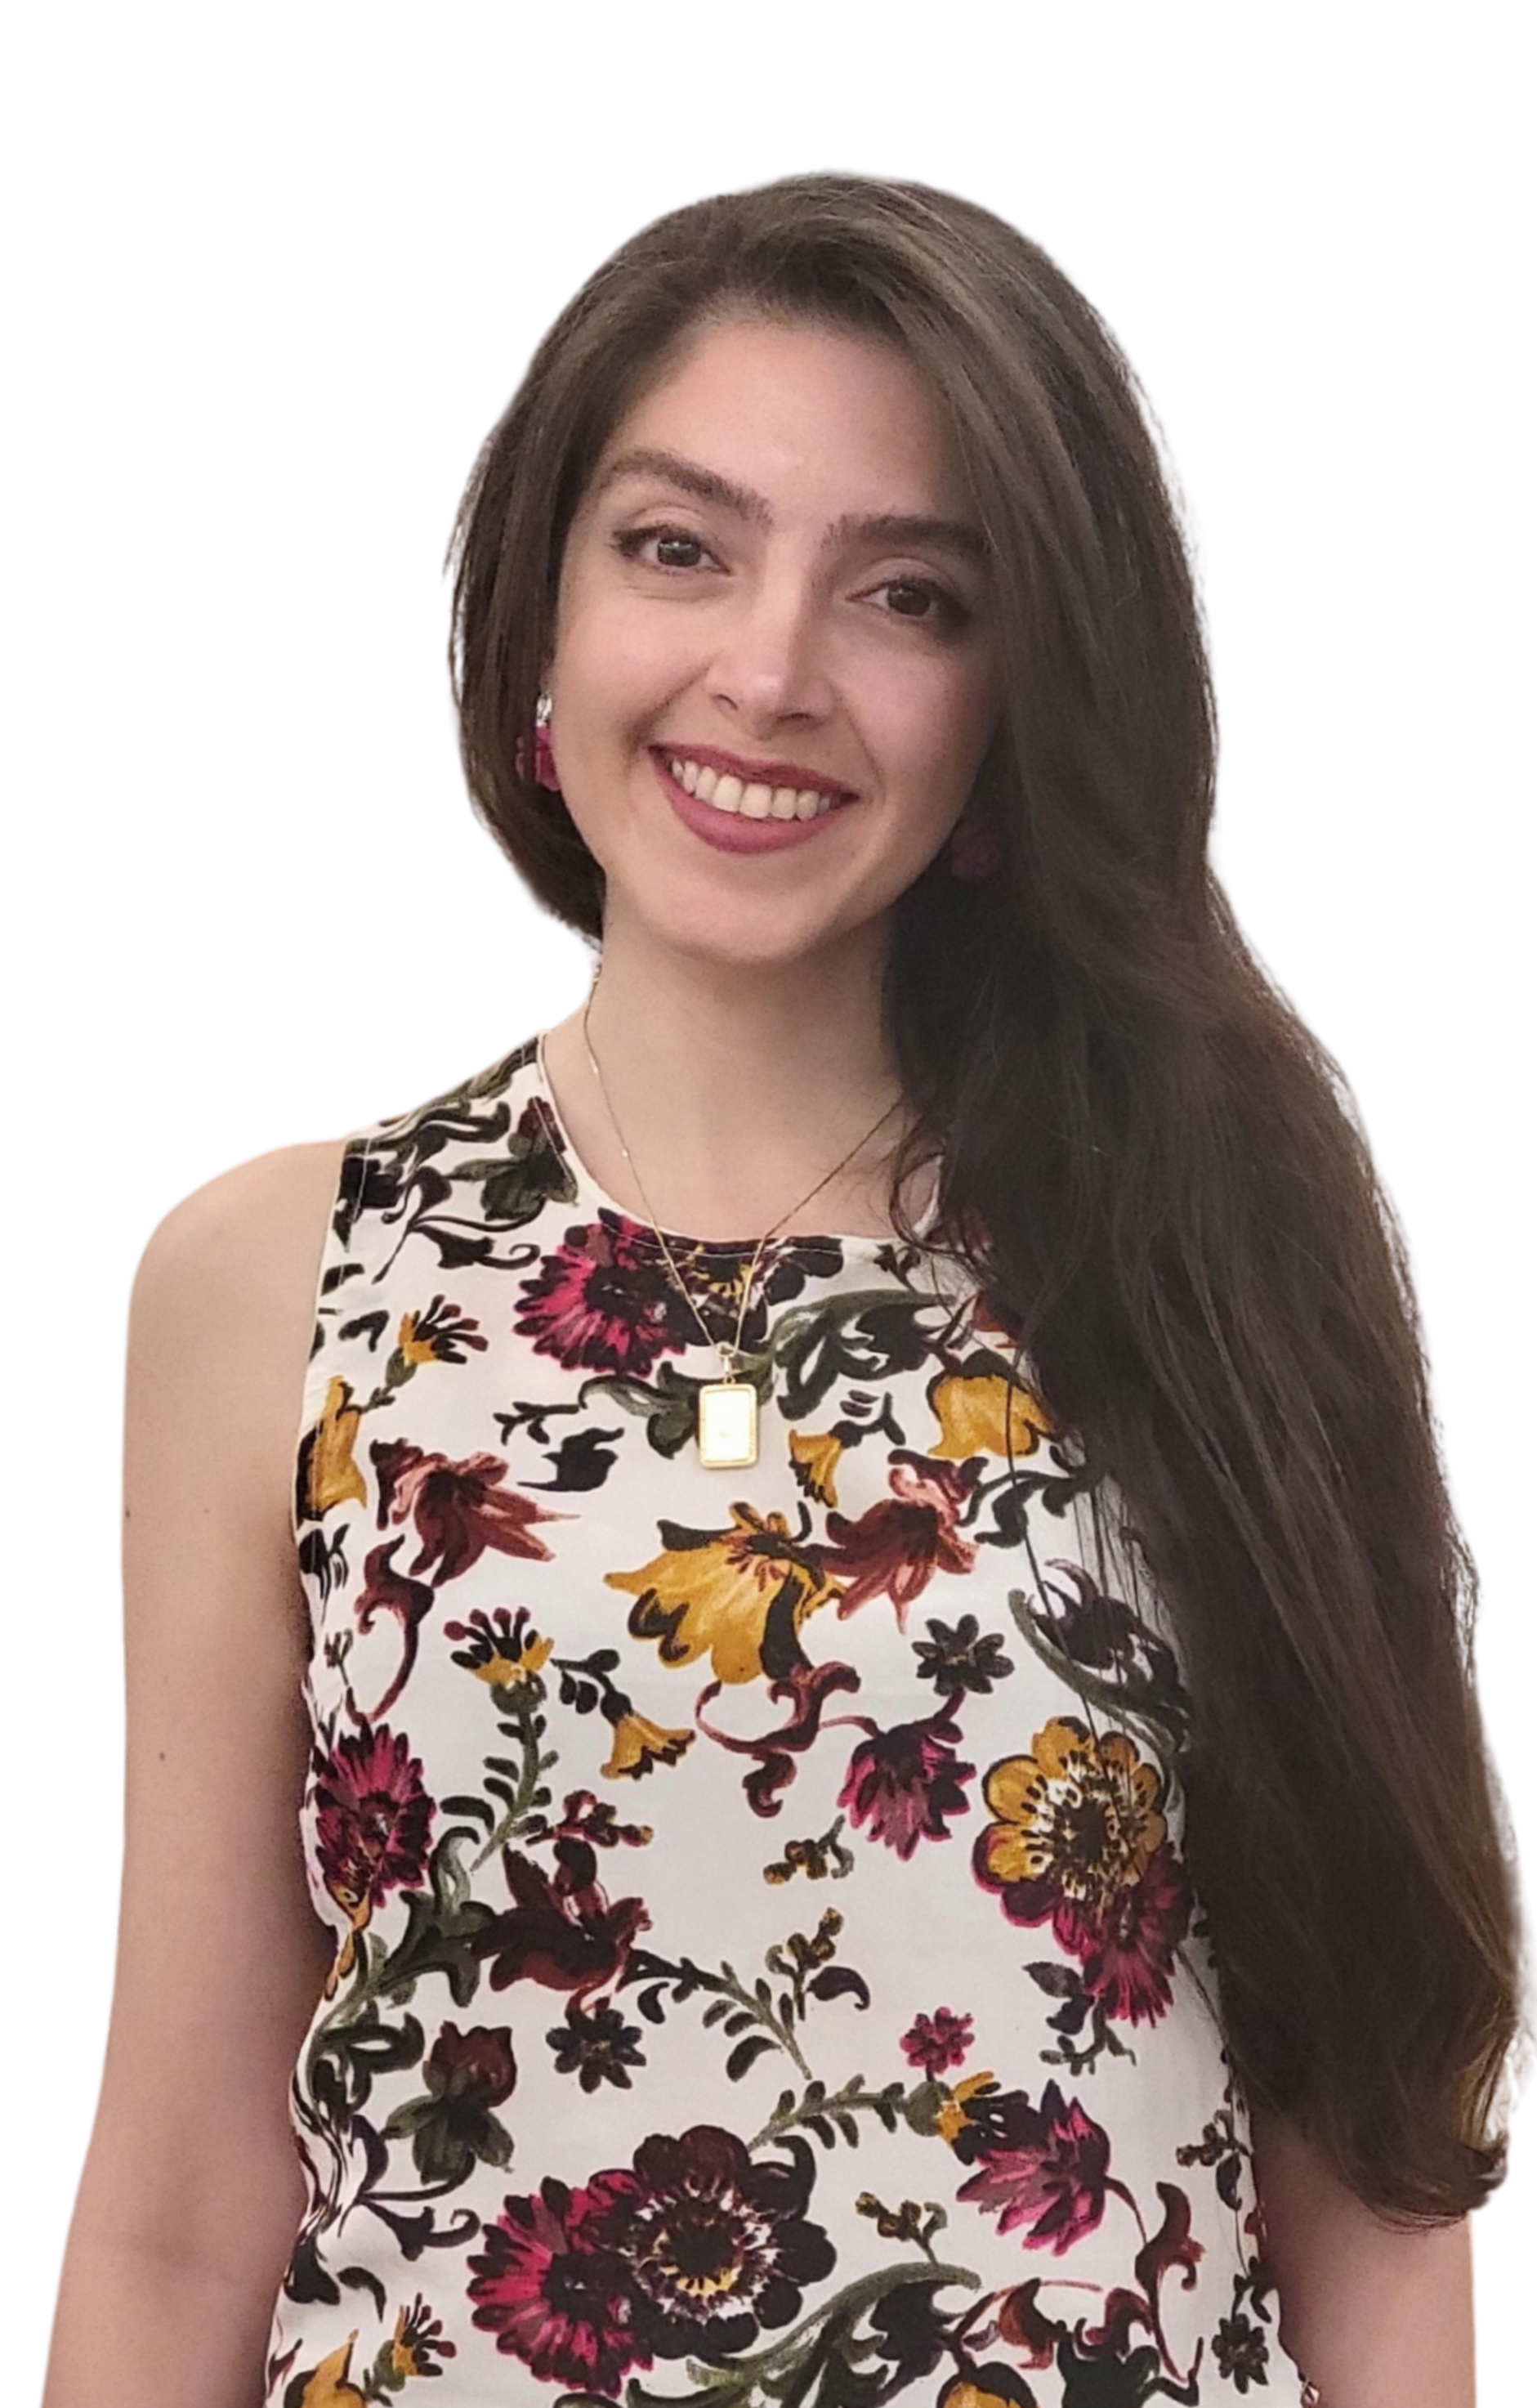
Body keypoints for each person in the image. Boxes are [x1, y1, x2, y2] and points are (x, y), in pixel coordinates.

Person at [43, 170, 1530, 2408]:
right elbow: (176, 2192)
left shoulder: (1227, 1250)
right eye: (678, 546)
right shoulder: (273, 1270)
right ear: (540, 601)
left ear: (1021, 703)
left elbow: (1386, 2185)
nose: (769, 669)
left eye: (909, 593)